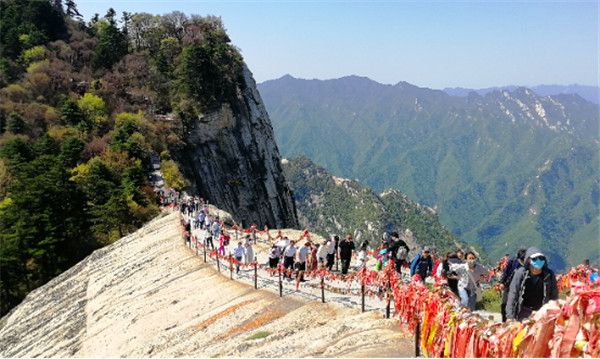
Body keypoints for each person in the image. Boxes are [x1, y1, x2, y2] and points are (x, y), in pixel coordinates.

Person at [506, 247, 559, 321]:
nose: (539, 261)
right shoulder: (521, 273)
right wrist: (510, 316)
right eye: (535, 259)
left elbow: (554, 295)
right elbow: (513, 294)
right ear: (528, 260)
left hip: (542, 312)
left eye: (541, 258)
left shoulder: (549, 275)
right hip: (524, 311)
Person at [499, 248, 526, 322]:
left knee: (517, 304)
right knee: (504, 303)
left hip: (520, 287)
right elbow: (506, 272)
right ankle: (504, 321)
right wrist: (502, 282)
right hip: (508, 285)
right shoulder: (513, 261)